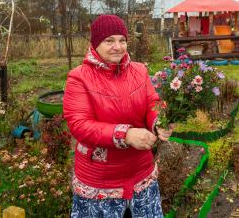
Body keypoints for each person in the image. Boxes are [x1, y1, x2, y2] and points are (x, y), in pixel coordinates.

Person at [63, 15, 173, 218]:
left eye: (122, 40)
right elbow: (80, 124)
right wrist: (126, 135)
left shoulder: (139, 71)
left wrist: (158, 123)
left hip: (141, 173)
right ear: (95, 44)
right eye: (109, 41)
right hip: (100, 181)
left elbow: (152, 103)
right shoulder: (79, 78)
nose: (118, 47)